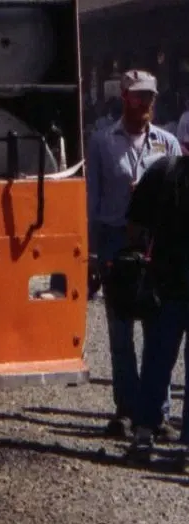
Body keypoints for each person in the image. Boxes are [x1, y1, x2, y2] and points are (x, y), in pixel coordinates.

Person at [86, 69, 180, 436]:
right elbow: (92, 201)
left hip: (157, 244)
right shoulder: (101, 142)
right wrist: (92, 255)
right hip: (115, 239)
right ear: (124, 97)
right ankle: (126, 408)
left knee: (160, 331)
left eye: (150, 98)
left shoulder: (167, 144)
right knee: (121, 331)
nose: (145, 104)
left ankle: (157, 411)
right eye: (138, 97)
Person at [125, 154, 189, 464]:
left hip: (166, 285)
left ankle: (144, 432)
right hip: (170, 286)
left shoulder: (163, 170)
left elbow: (135, 226)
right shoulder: (164, 171)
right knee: (159, 358)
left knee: (157, 359)